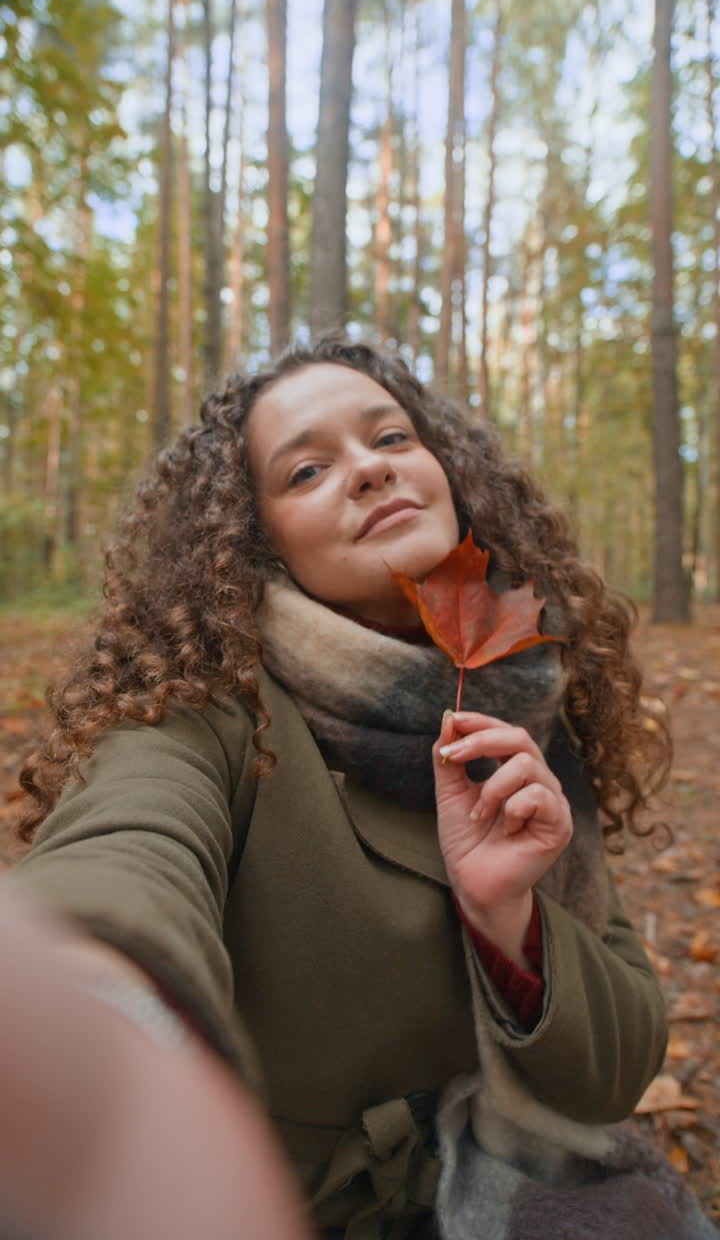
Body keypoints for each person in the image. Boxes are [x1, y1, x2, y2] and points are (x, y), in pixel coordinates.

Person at [12, 335, 674, 1238]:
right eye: (307, 469)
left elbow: (620, 1064)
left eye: (392, 438)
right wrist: (89, 1001)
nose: (367, 470)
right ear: (256, 542)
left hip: (515, 1184)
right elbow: (127, 849)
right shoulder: (202, 706)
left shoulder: (530, 698)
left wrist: (510, 921)